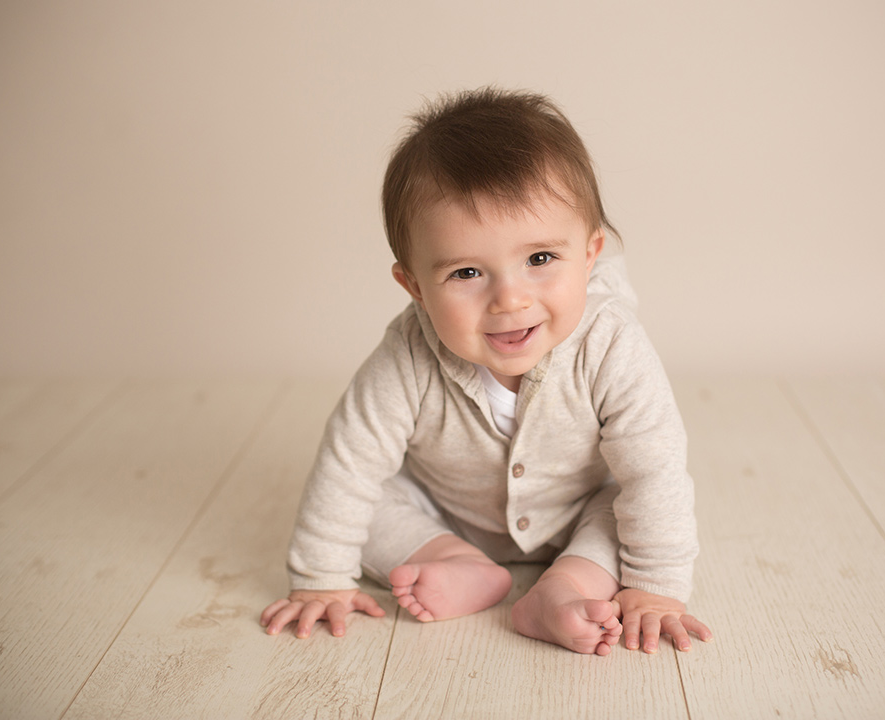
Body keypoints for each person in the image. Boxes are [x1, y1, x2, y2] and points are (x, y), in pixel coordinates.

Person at [260, 87, 712, 655]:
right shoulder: (408, 354)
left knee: (622, 510)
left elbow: (655, 470)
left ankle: (564, 588)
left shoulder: (610, 342)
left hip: (574, 514)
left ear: (589, 254)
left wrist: (655, 588)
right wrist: (322, 577)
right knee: (365, 503)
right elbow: (349, 461)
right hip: (446, 514)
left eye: (540, 259)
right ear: (415, 285)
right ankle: (456, 562)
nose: (510, 300)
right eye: (467, 273)